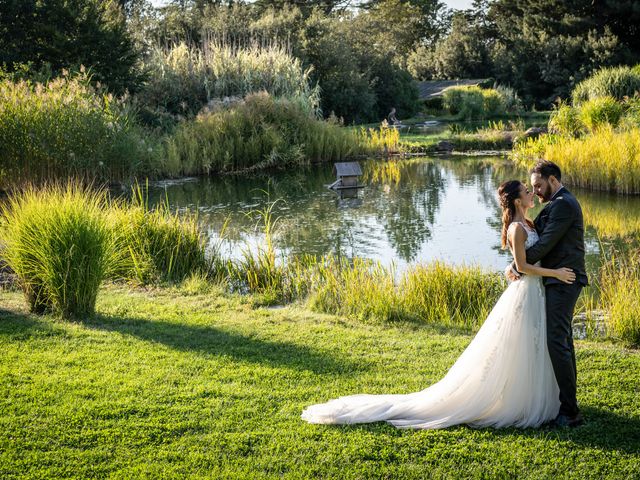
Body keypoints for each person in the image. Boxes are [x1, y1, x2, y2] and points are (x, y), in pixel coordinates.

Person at [301, 177, 577, 429]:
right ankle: (515, 401)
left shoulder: (530, 223)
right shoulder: (517, 228)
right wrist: (556, 272)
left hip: (536, 293)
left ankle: (536, 397)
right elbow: (523, 265)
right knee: (519, 347)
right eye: (528, 191)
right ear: (518, 200)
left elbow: (525, 259)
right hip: (527, 292)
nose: (532, 194)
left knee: (531, 346)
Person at [507, 160, 587, 428]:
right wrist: (518, 264)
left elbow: (543, 244)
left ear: (553, 180)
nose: (536, 192)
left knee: (557, 340)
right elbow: (533, 237)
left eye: (538, 186)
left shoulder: (564, 204)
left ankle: (570, 411)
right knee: (562, 339)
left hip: (564, 280)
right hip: (554, 281)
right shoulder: (554, 205)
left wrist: (519, 266)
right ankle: (569, 404)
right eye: (532, 188)